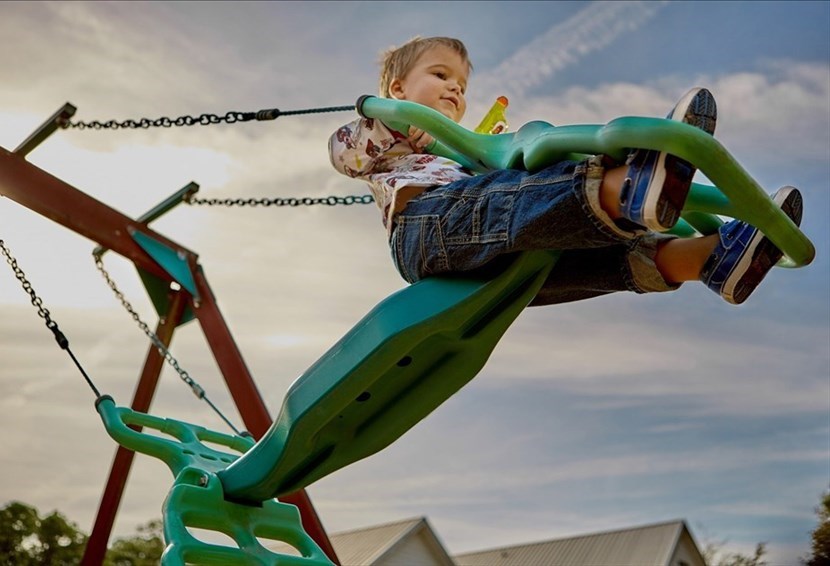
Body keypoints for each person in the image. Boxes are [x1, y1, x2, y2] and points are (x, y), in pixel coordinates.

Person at [329, 36, 802, 306]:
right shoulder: (380, 137)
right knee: (518, 194)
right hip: (426, 235)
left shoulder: (463, 147)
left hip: (485, 264)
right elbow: (343, 153)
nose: (454, 89)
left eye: (460, 84)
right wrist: (390, 117)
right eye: (440, 76)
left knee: (569, 259)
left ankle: (708, 257)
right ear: (396, 88)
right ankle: (626, 187)